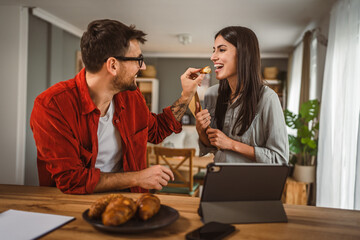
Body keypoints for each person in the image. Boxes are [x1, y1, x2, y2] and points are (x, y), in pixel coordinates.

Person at [30, 19, 204, 194]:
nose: (142, 66)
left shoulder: (131, 97)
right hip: (74, 207)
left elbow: (157, 130)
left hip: (130, 203)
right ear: (113, 65)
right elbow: (72, 180)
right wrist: (138, 177)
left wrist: (186, 95)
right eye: (138, 59)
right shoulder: (52, 106)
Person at [195, 26, 288, 164]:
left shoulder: (267, 98)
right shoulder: (212, 95)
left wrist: (232, 144)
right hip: (220, 180)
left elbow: (279, 159)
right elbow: (212, 146)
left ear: (243, 54)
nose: (213, 57)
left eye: (221, 50)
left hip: (251, 184)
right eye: (214, 50)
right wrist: (201, 129)